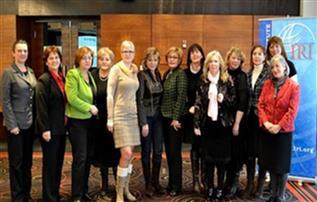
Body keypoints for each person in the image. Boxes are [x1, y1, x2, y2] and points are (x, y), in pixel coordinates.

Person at [193, 50, 236, 202]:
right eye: (211, 61)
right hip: (207, 124)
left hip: (223, 125)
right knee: (209, 159)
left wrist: (223, 99)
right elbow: (198, 104)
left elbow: (234, 102)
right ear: (207, 65)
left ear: (220, 64)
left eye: (216, 61)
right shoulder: (202, 80)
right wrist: (196, 124)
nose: (213, 64)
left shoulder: (227, 80)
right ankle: (210, 187)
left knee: (222, 160)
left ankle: (220, 188)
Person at [258, 55, 300, 202]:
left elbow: (292, 110)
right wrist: (266, 123)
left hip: (283, 132)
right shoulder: (267, 84)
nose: (275, 69)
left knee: (281, 165)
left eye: (278, 66)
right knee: (271, 163)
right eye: (273, 67)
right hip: (268, 130)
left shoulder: (293, 86)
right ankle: (272, 195)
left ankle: (280, 196)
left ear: (284, 68)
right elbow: (261, 105)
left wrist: (279, 126)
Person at [1, 39, 37, 202]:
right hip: (15, 125)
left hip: (29, 124)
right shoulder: (8, 73)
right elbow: (5, 101)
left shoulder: (30, 71)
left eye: (25, 51)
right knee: (16, 163)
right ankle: (17, 196)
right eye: (20, 50)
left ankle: (26, 193)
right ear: (13, 53)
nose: (23, 53)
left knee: (27, 162)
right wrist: (12, 125)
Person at [107, 40, 140, 202]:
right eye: (125, 51)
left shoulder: (134, 69)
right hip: (119, 115)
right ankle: (119, 192)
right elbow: (109, 94)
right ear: (120, 52)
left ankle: (126, 189)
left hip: (133, 116)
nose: (128, 54)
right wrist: (110, 118)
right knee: (125, 153)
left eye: (131, 51)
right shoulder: (115, 69)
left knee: (130, 155)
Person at [65, 46, 98, 202]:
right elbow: (72, 98)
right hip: (77, 122)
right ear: (78, 60)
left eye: (90, 57)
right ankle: (76, 195)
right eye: (85, 57)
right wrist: (89, 107)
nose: (88, 60)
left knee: (88, 157)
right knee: (80, 158)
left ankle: (84, 191)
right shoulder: (73, 74)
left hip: (90, 123)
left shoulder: (90, 75)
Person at [35, 46, 67, 202]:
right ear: (46, 62)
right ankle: (48, 197)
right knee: (49, 165)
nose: (55, 60)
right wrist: (45, 129)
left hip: (60, 128)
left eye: (56, 57)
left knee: (58, 163)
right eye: (51, 58)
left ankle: (55, 193)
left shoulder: (61, 77)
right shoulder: (44, 80)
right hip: (49, 130)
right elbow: (41, 107)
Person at [242, 45, 270, 200]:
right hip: (249, 118)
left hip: (263, 118)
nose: (257, 56)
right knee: (250, 153)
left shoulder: (268, 74)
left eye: (260, 54)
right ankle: (249, 184)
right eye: (254, 54)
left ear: (264, 56)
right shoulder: (248, 74)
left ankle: (259, 186)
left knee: (262, 153)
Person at [91, 47, 120, 197]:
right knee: (101, 153)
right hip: (97, 120)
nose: (104, 61)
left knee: (115, 153)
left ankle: (118, 184)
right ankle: (104, 185)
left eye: (107, 59)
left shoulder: (116, 75)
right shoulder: (92, 74)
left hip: (113, 119)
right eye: (101, 58)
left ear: (111, 61)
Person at [137, 47, 165, 197]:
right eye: (150, 60)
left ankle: (156, 181)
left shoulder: (159, 74)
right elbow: (139, 100)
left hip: (158, 118)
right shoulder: (141, 75)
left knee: (159, 151)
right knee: (146, 151)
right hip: (147, 118)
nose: (153, 62)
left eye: (155, 60)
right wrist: (143, 122)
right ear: (145, 61)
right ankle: (147, 184)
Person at [161, 46, 187, 197]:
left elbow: (181, 98)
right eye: (169, 57)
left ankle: (177, 186)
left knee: (175, 154)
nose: (172, 60)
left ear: (179, 60)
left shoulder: (180, 75)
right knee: (169, 154)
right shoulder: (167, 73)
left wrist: (176, 118)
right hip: (165, 118)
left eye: (175, 58)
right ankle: (171, 182)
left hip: (174, 121)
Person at [223, 47, 248, 199]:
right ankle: (226, 181)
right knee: (225, 153)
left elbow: (243, 102)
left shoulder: (242, 77)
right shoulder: (223, 74)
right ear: (228, 59)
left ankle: (233, 183)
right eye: (233, 58)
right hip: (223, 120)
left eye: (238, 59)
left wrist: (236, 124)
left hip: (237, 120)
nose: (235, 61)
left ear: (241, 62)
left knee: (235, 154)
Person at [182, 43, 205, 193]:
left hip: (205, 116)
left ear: (202, 55)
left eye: (197, 52)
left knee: (204, 147)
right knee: (194, 147)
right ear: (189, 56)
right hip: (190, 115)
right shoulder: (185, 73)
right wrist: (187, 108)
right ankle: (196, 180)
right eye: (192, 53)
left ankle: (204, 178)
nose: (195, 55)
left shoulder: (206, 71)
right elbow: (181, 95)